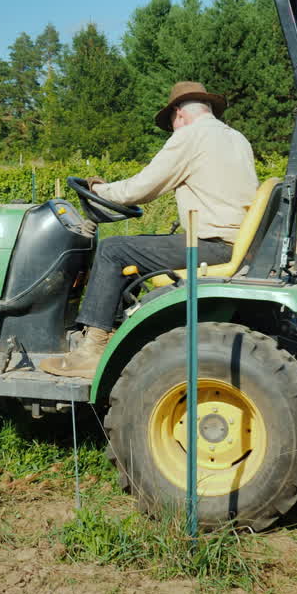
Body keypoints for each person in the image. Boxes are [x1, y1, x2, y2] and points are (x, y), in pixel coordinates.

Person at [39, 81, 257, 378]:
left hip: (211, 244)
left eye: (171, 124)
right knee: (133, 251)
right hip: (232, 242)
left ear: (178, 114)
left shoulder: (192, 135)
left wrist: (100, 190)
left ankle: (91, 351)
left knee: (113, 250)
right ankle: (114, 331)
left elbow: (141, 188)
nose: (173, 130)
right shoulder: (237, 138)